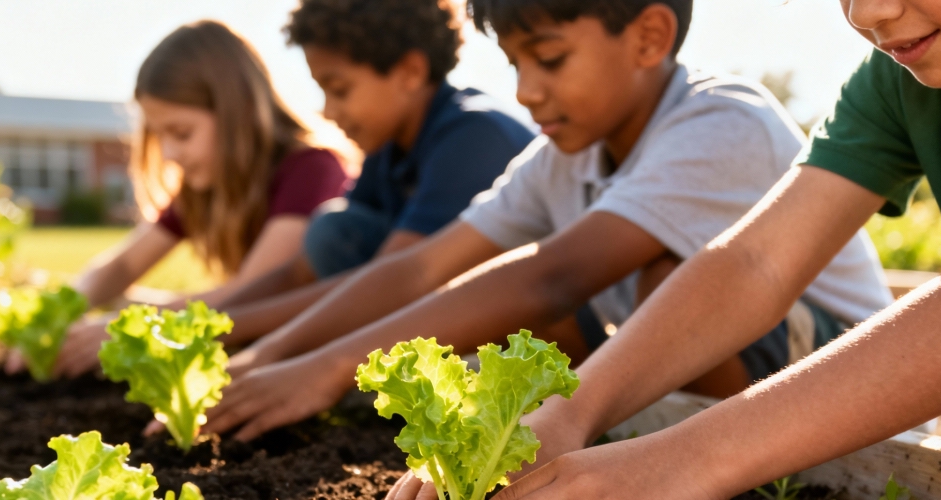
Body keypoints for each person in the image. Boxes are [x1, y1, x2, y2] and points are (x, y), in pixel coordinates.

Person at [190, 0, 894, 459]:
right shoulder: (564, 154)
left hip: (842, 385)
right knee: (511, 330)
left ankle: (676, 451)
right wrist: (272, 355)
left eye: (550, 59)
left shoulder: (720, 123)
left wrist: (332, 369)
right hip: (694, 382)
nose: (526, 91)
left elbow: (556, 277)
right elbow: (426, 267)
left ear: (649, 36)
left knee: (653, 279)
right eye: (515, 65)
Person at [469, 0, 941, 499]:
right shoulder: (897, 81)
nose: (866, 12)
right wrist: (568, 415)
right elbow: (756, 262)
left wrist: (678, 463)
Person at [192, 0, 537, 348]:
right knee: (333, 229)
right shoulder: (387, 150)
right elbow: (301, 272)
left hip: (522, 316)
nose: (327, 111)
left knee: (335, 235)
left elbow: (393, 281)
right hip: (420, 298)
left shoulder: (473, 136)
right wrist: (207, 321)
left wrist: (251, 334)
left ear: (410, 72)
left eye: (339, 89)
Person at [44, 21, 350, 378]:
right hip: (261, 337)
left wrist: (133, 327)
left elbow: (251, 294)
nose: (170, 152)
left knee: (134, 307)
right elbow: (121, 266)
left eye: (182, 133)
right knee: (126, 299)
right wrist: (52, 320)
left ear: (238, 111)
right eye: (160, 137)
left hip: (324, 347)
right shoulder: (205, 189)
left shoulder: (312, 169)